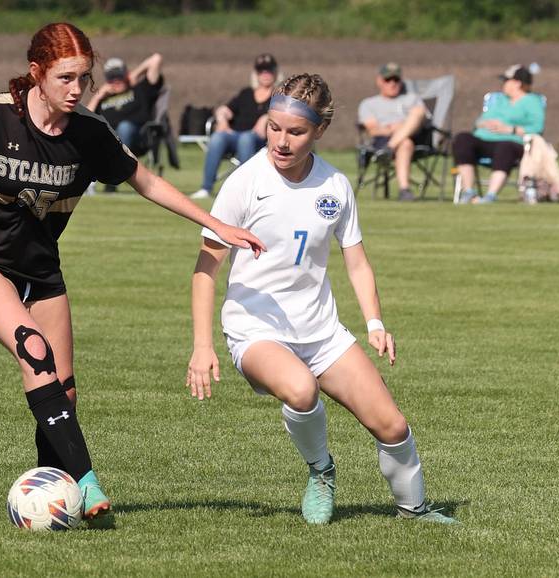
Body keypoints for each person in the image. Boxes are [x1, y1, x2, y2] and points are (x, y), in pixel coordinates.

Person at [0, 22, 264, 526]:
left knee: (64, 391)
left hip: (40, 269)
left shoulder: (90, 133)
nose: (77, 90)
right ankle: (87, 482)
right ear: (37, 74)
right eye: (66, 78)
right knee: (33, 349)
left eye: (84, 79)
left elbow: (148, 182)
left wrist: (217, 223)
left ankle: (47, 493)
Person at [186, 73, 458, 525]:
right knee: (300, 389)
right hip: (255, 330)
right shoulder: (243, 183)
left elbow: (357, 262)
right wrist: (201, 345)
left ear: (319, 132)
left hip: (321, 331)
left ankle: (415, 510)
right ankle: (321, 472)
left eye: (296, 132)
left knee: (392, 426)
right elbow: (205, 270)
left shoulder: (335, 186)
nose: (282, 141)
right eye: (274, 128)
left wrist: (374, 324)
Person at [453, 64, 546, 204]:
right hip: (485, 139)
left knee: (505, 148)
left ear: (517, 83)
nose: (504, 84)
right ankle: (468, 192)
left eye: (506, 80)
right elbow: (479, 122)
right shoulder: (500, 100)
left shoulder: (532, 102)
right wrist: (486, 124)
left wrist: (510, 129)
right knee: (462, 139)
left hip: (512, 143)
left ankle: (490, 195)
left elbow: (537, 128)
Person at [190, 53, 278, 199]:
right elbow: (225, 110)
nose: (265, 74)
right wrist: (222, 118)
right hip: (235, 134)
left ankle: (243, 190)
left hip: (258, 139)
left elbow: (282, 115)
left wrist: (266, 117)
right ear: (256, 73)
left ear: (275, 72)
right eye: (261, 70)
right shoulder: (246, 93)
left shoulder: (278, 94)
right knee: (218, 137)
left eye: (269, 70)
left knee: (246, 138)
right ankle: (206, 188)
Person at [358, 62, 427, 201]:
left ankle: (389, 149)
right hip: (382, 140)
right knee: (405, 143)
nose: (392, 83)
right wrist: (392, 128)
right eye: (388, 80)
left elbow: (420, 117)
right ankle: (404, 190)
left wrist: (401, 128)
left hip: (415, 137)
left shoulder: (412, 98)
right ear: (379, 81)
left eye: (396, 80)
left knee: (417, 113)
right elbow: (373, 130)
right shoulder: (369, 103)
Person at [87, 53, 164, 154]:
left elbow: (156, 59)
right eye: (111, 77)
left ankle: (118, 163)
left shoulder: (139, 89)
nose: (116, 80)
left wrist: (135, 74)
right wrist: (97, 97)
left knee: (125, 127)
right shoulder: (102, 99)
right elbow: (85, 120)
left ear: (126, 74)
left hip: (137, 137)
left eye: (119, 75)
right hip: (108, 139)